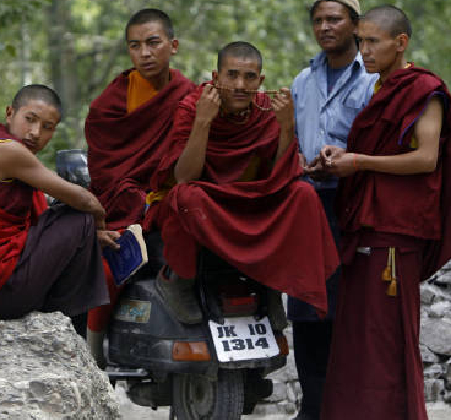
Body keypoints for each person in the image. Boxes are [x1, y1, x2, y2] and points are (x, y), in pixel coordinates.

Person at [319, 6, 451, 419]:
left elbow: (426, 159)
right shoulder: (380, 90)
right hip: (367, 229)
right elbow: (378, 150)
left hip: (394, 233)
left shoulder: (424, 90)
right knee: (358, 339)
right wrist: (343, 156)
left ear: (400, 42)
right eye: (361, 42)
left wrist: (359, 163)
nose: (364, 51)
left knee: (387, 341)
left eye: (373, 42)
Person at [144, 41, 339, 326]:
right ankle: (180, 282)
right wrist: (203, 122)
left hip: (248, 200)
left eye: (249, 78)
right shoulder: (193, 106)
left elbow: (279, 175)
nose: (239, 85)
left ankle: (270, 284)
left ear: (260, 81)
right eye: (232, 75)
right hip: (208, 199)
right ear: (216, 77)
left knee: (302, 193)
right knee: (186, 197)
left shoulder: (265, 109)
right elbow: (185, 177)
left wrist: (285, 127)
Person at [0, 84, 116, 325]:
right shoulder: (6, 151)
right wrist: (98, 223)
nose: (36, 133)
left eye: (47, 128)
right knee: (79, 218)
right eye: (30, 119)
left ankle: (65, 323)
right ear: (10, 113)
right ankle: (68, 323)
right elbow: (84, 200)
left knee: (72, 223)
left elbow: (40, 226)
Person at [83, 8, 195, 365]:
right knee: (107, 259)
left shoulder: (188, 95)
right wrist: (133, 194)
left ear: (172, 45)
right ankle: (93, 345)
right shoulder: (110, 104)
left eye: (153, 43)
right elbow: (104, 164)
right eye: (135, 46)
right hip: (126, 201)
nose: (145, 53)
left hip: (172, 196)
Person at [288, 1, 377, 418]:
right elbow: (290, 140)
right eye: (318, 20)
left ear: (355, 25)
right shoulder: (302, 81)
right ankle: (313, 407)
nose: (325, 27)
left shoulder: (374, 80)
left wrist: (346, 158)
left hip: (353, 203)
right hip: (307, 204)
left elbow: (381, 145)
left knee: (349, 313)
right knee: (307, 311)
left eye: (334, 19)